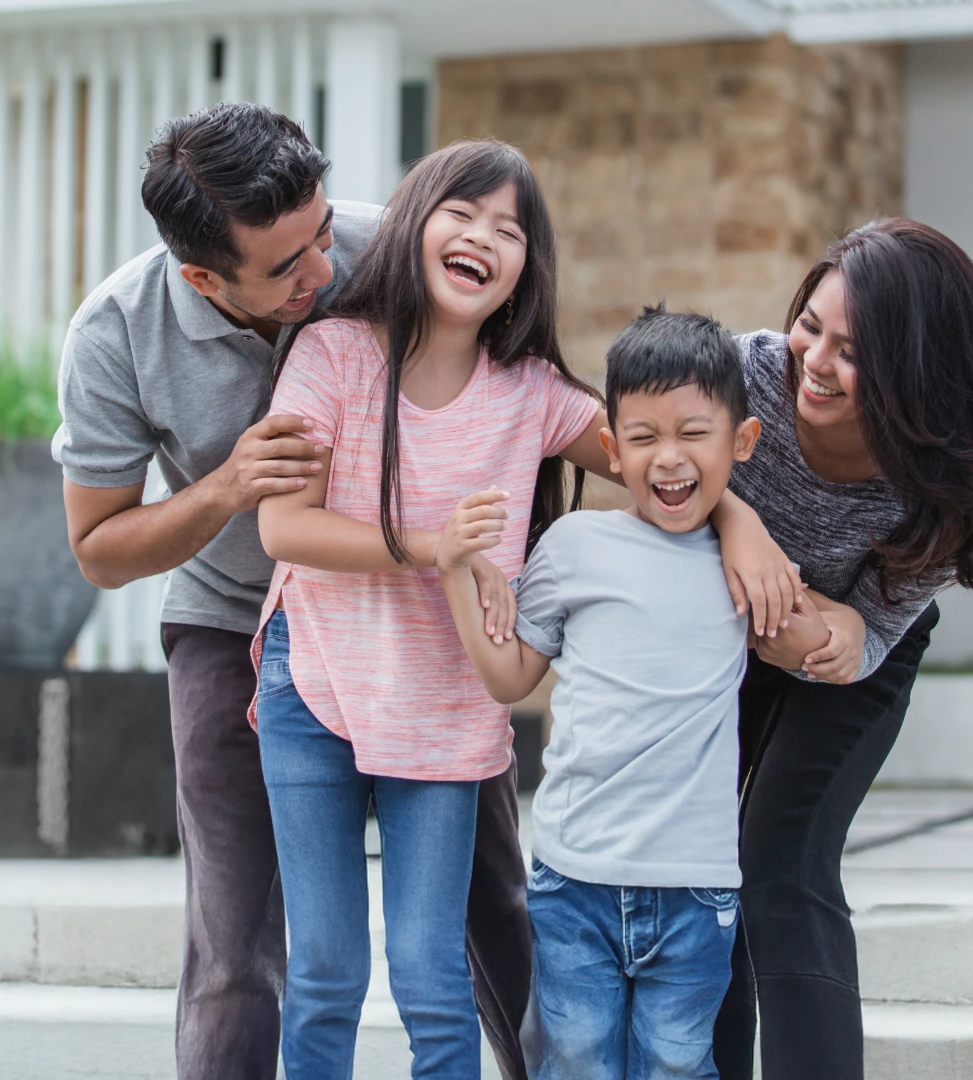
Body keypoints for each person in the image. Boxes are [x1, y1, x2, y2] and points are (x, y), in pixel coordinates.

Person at [250, 138, 624, 1078]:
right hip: (318, 682)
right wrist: (430, 547)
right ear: (414, 224)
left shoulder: (532, 393)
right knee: (327, 969)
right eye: (461, 214)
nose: (483, 238)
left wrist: (736, 518)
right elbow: (284, 528)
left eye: (510, 230)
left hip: (446, 705)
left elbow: (658, 457)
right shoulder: (334, 355)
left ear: (522, 274)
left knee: (431, 977)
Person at [52, 102, 384, 1080]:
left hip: (395, 607)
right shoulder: (117, 333)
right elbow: (100, 549)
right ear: (202, 275)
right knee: (235, 936)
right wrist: (229, 486)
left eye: (320, 234)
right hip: (228, 614)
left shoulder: (381, 254)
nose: (322, 272)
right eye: (286, 267)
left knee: (491, 896)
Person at [710, 218, 973, 1080]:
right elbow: (646, 460)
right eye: (810, 325)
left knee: (780, 860)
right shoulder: (739, 375)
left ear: (916, 372)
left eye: (852, 350)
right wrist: (733, 516)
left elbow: (852, 641)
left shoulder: (945, 479)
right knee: (704, 861)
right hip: (723, 633)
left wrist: (809, 616)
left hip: (858, 657)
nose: (814, 360)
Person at [438, 307, 763, 1080]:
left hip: (695, 886)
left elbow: (814, 640)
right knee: (576, 1061)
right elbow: (509, 675)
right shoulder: (575, 546)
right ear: (611, 450)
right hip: (573, 878)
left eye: (695, 432)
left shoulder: (745, 563)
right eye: (644, 438)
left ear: (741, 442)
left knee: (679, 1063)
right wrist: (452, 568)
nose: (670, 458)